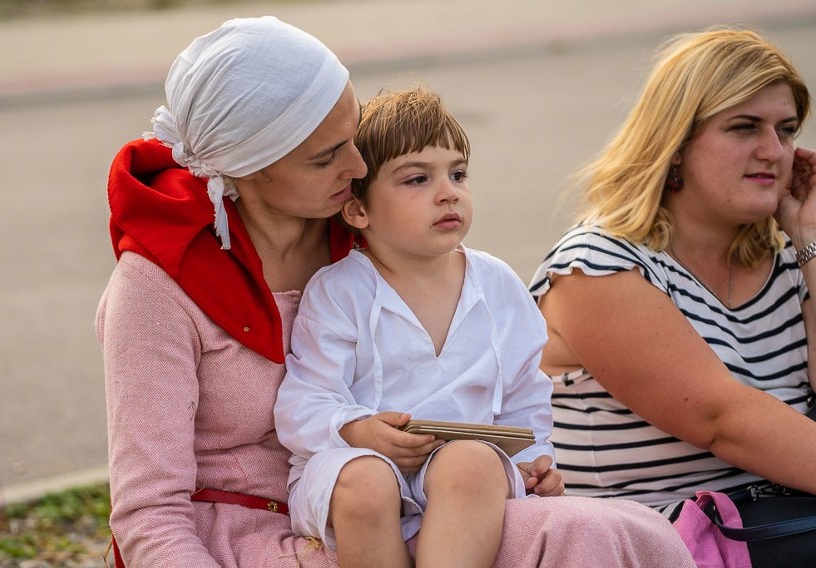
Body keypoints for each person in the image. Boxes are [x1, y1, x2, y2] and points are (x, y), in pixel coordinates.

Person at [96, 15, 698, 568]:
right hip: (249, 539)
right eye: (327, 156)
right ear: (252, 166)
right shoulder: (155, 289)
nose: (359, 165)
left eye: (353, 137)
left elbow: (503, 379)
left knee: (614, 536)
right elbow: (151, 514)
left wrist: (523, 460)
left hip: (425, 513)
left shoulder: (371, 233)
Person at [530, 26, 816, 515]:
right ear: (676, 142)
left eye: (785, 130)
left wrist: (809, 240)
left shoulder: (792, 261)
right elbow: (723, 421)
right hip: (667, 542)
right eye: (745, 127)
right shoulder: (597, 265)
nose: (774, 150)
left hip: (785, 527)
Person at [273, 87, 563, 568]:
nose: (448, 192)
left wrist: (537, 460)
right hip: (352, 462)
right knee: (367, 484)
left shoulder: (497, 283)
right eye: (417, 179)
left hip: (466, 471)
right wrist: (357, 429)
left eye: (458, 173)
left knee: (471, 460)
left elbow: (524, 395)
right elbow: (302, 403)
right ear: (358, 210)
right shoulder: (339, 289)